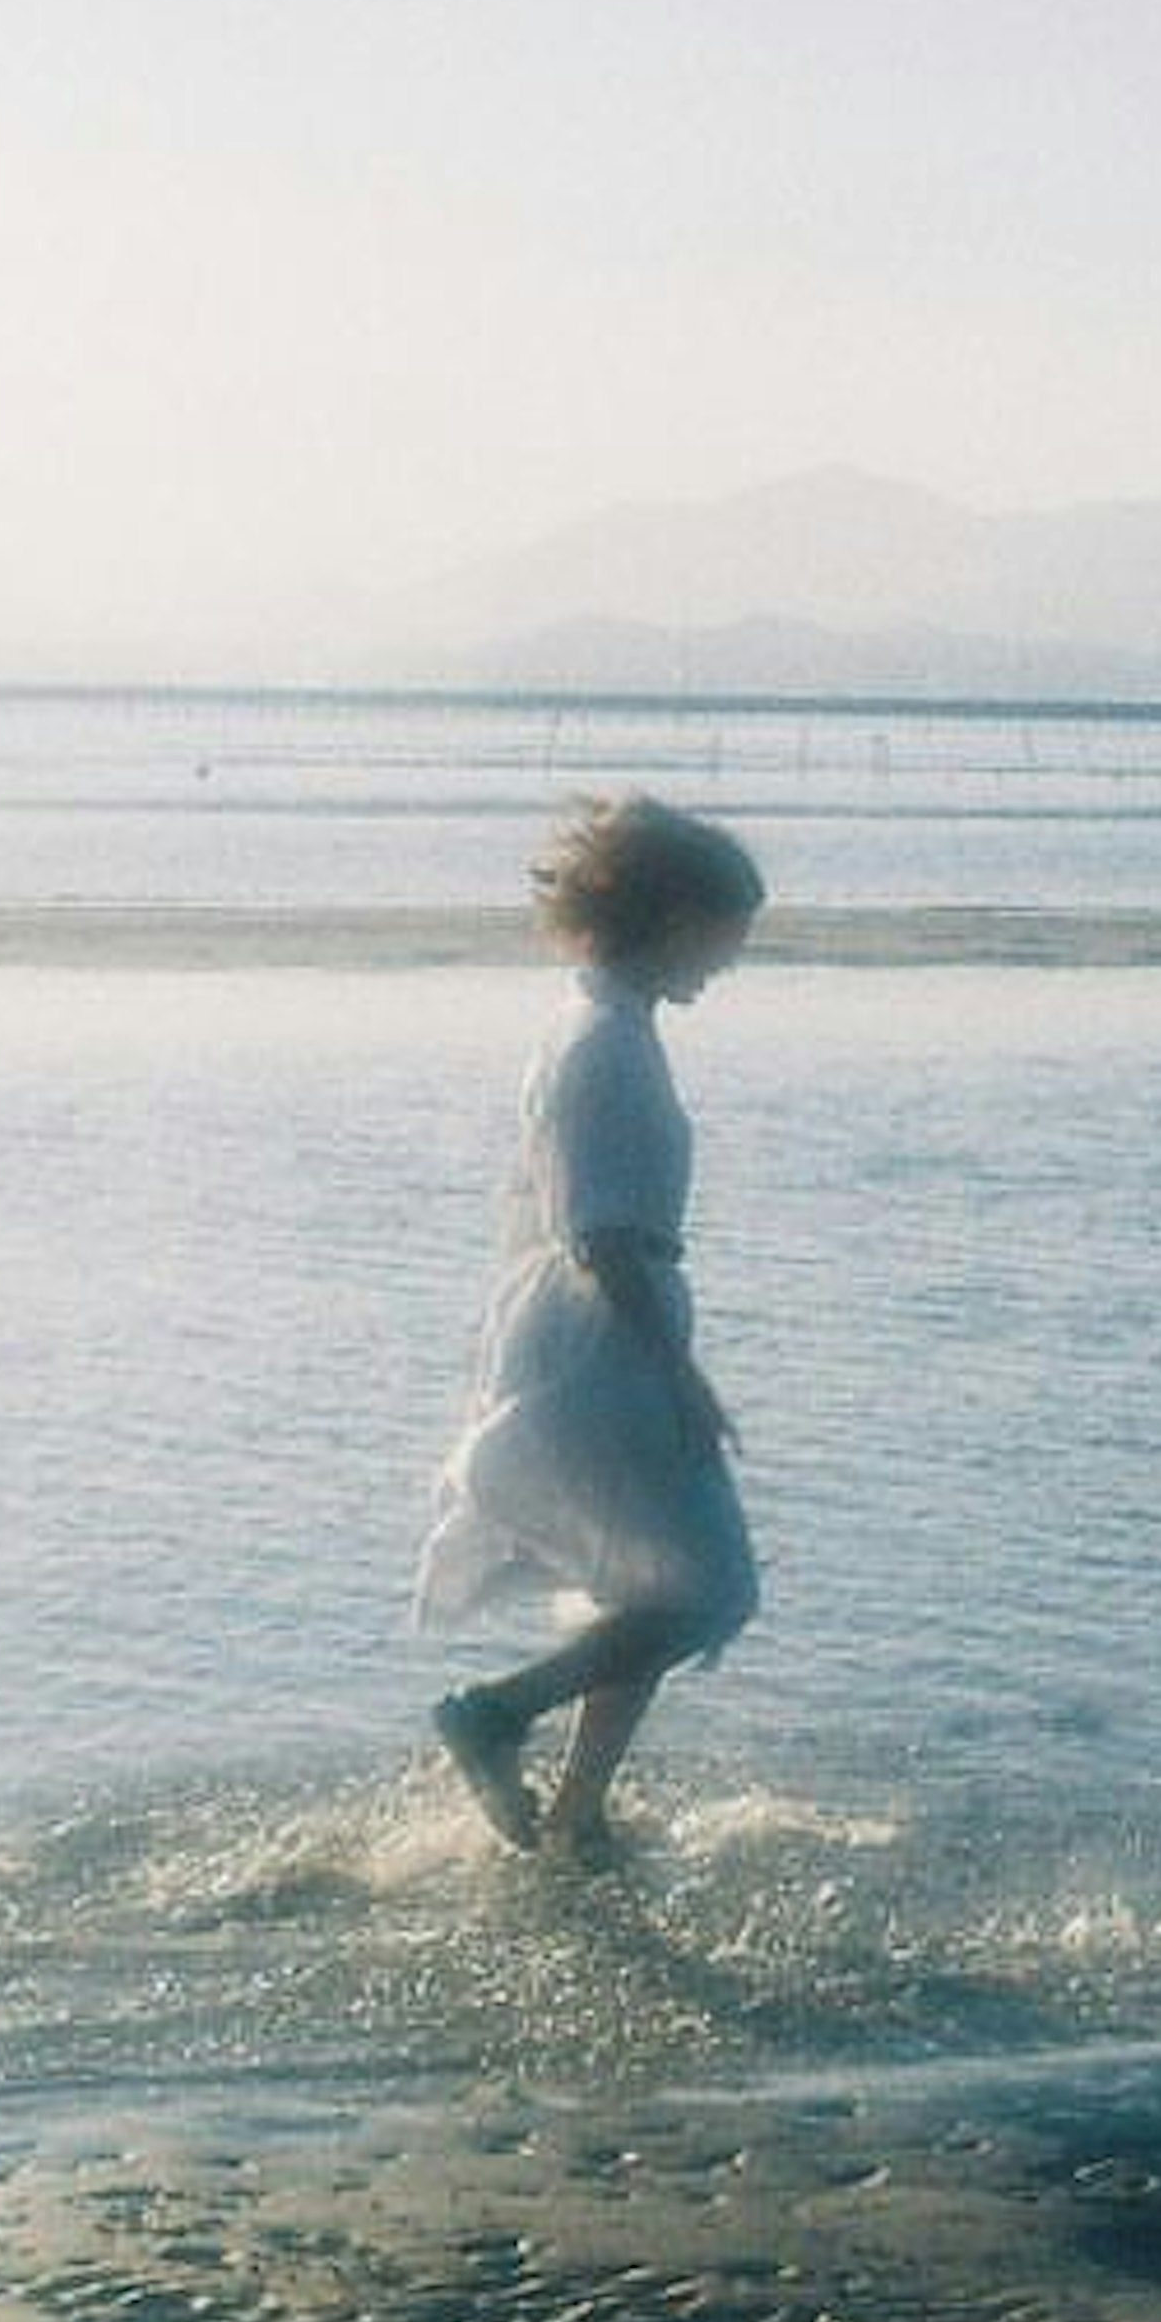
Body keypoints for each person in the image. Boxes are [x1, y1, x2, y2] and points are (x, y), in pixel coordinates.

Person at [418, 794, 765, 1855]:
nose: (728, 961)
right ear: (670, 919)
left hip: (602, 1324)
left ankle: (574, 1817)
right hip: (604, 1338)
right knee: (712, 1592)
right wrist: (681, 1375)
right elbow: (604, 1234)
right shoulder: (602, 1043)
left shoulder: (609, 1025)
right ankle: (499, 1713)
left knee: (652, 1587)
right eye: (723, 936)